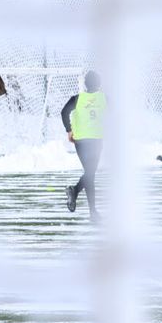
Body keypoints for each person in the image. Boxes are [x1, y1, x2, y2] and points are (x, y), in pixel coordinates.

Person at [60, 71, 105, 220]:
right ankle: (91, 210)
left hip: (81, 141)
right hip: (96, 140)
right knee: (90, 173)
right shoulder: (104, 98)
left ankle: (76, 192)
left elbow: (64, 112)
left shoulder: (78, 99)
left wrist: (69, 130)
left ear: (85, 84)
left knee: (90, 173)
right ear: (99, 84)